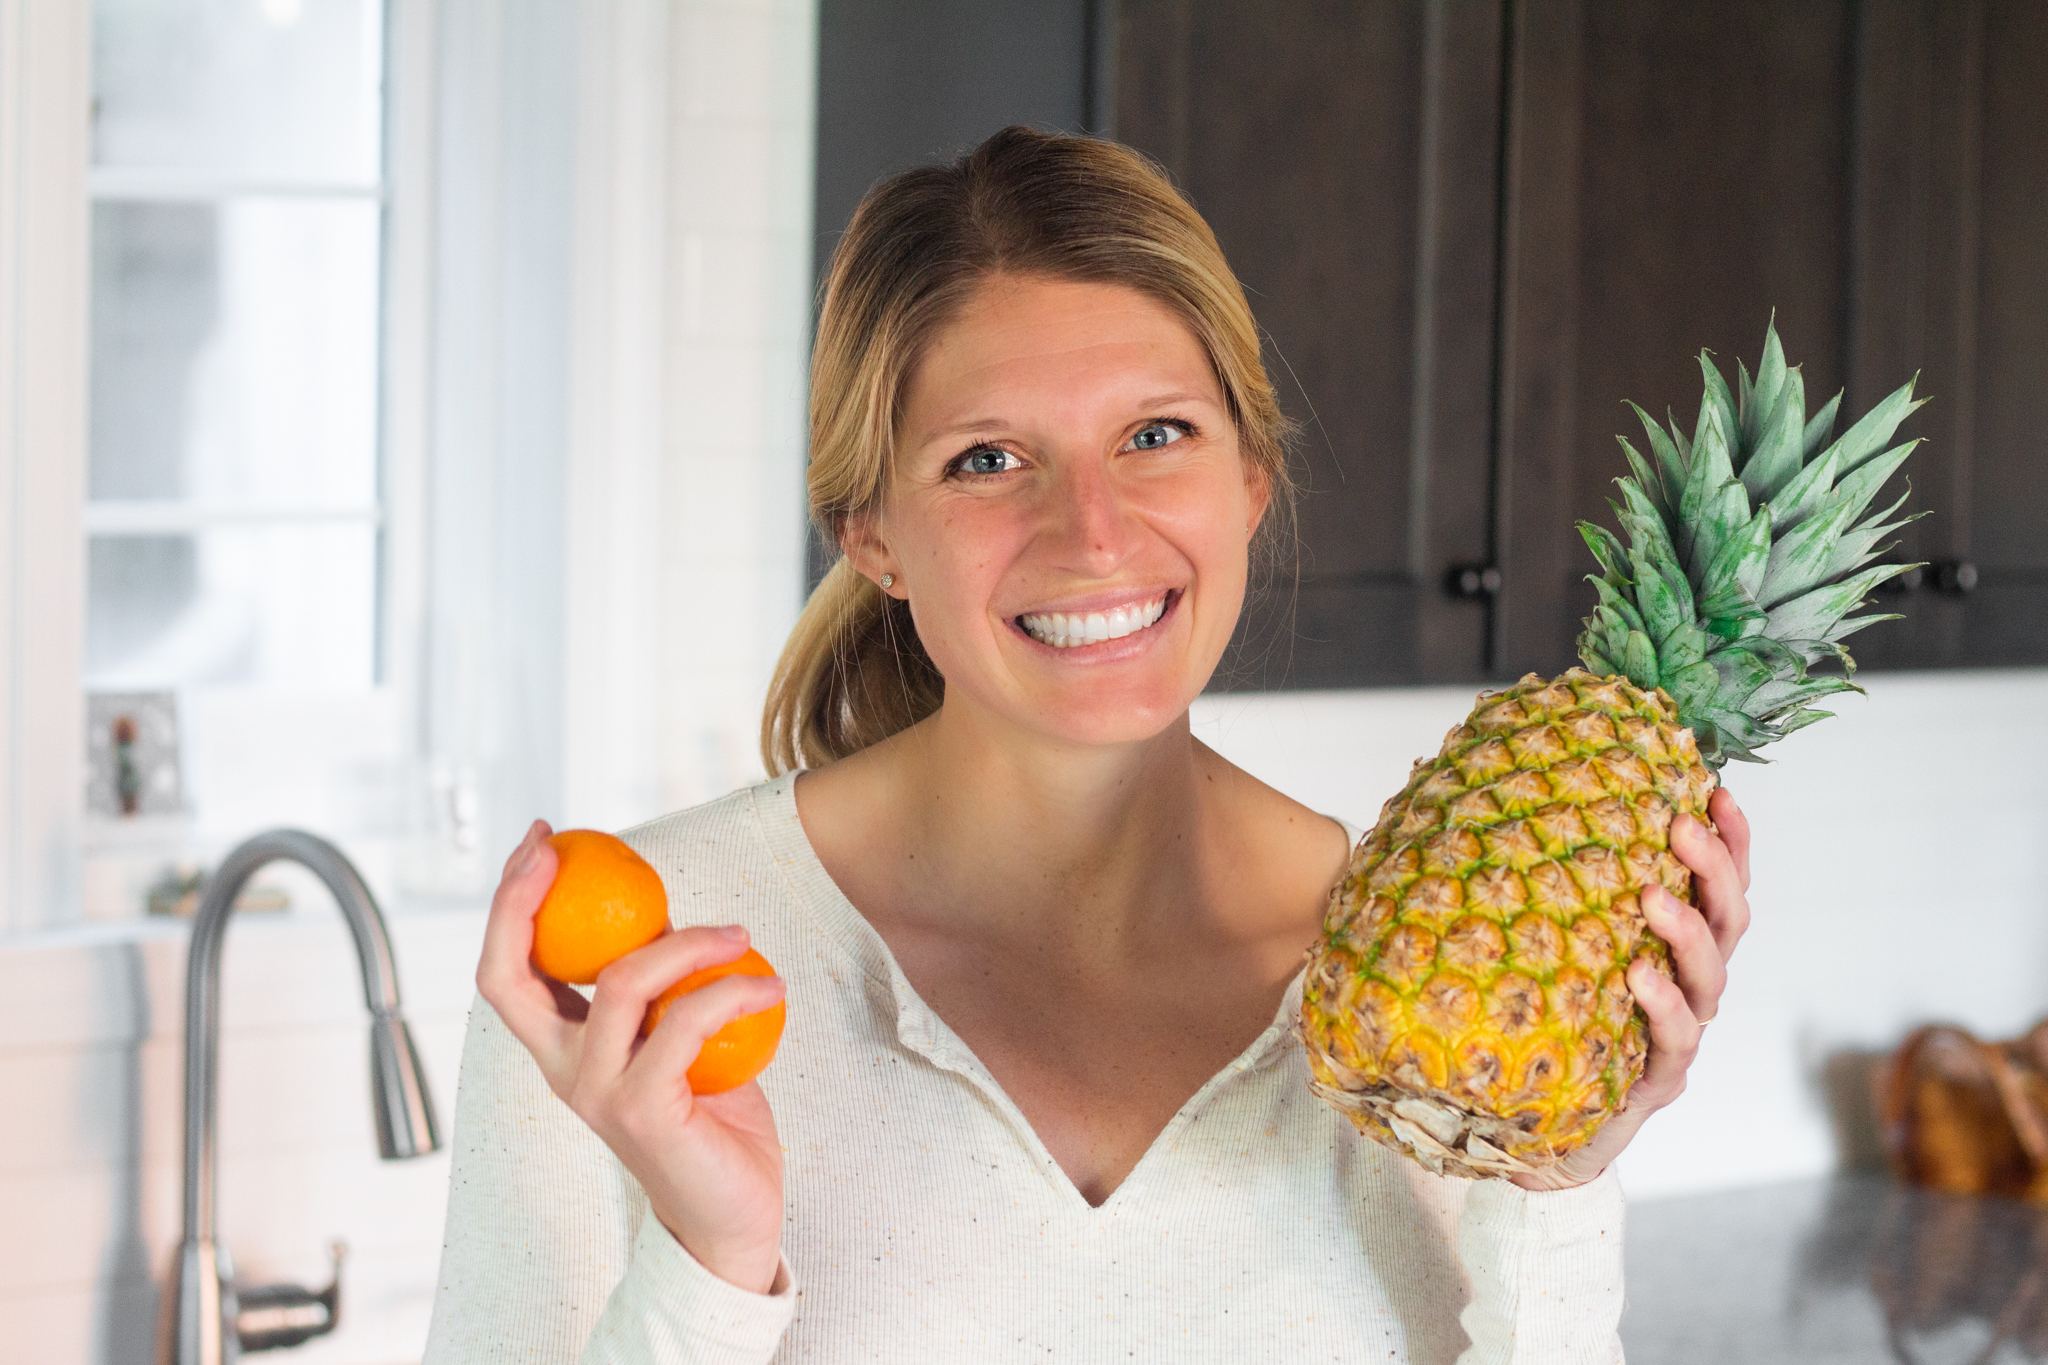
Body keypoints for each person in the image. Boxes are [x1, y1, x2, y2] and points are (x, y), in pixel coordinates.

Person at [422, 126, 1750, 1364]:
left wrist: (1556, 1180)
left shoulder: (1457, 996)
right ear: (872, 531)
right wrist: (708, 1271)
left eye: (1156, 435)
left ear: (1250, 479)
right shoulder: (631, 983)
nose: (1095, 533)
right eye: (990, 458)